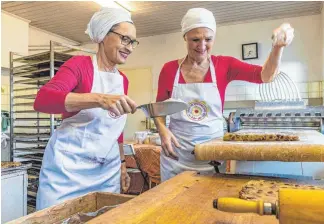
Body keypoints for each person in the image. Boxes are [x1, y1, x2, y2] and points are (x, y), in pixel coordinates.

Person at [154, 8, 294, 182]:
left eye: (208, 39)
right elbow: (158, 109)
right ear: (185, 38)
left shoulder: (224, 65)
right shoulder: (169, 70)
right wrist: (162, 130)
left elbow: (265, 76)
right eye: (195, 40)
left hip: (212, 156)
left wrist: (278, 47)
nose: (202, 45)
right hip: (176, 155)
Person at [34, 7, 139, 210]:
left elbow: (115, 129)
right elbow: (43, 100)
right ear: (103, 35)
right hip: (68, 171)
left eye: (133, 42)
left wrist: (122, 164)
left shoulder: (122, 80)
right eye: (125, 39)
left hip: (105, 171)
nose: (130, 47)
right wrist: (99, 99)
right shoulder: (79, 65)